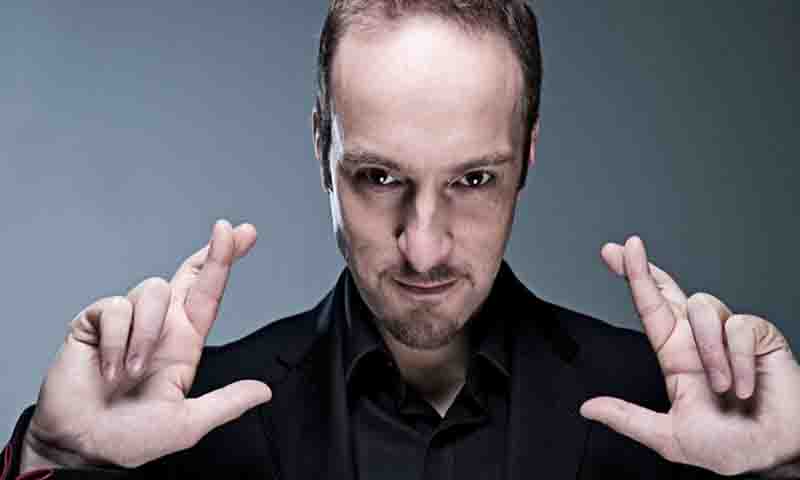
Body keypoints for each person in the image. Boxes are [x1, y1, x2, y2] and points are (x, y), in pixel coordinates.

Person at [3, 1, 800, 479]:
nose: (423, 249)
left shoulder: (669, 410)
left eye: (473, 179)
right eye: (379, 177)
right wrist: (51, 458)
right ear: (322, 149)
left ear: (526, 158)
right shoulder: (183, 424)